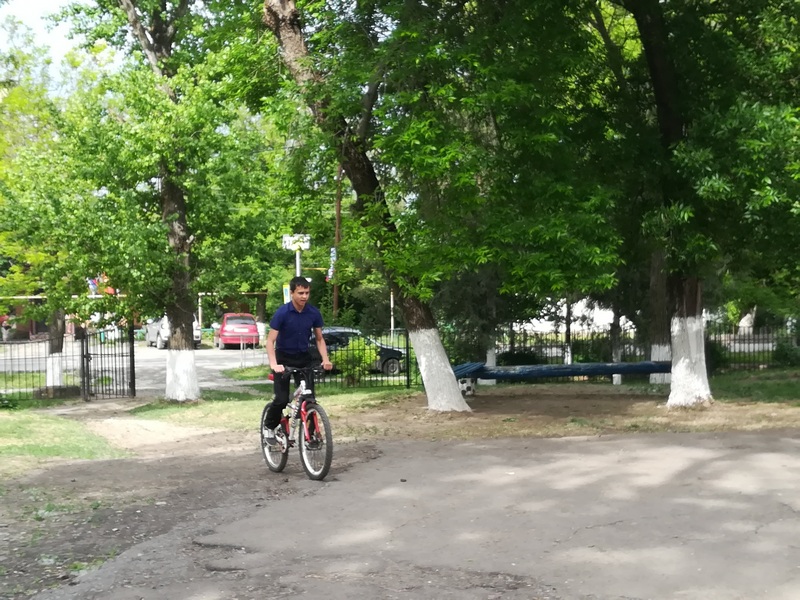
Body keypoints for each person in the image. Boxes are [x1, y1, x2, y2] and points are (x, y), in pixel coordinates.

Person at [264, 276, 333, 445]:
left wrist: (325, 359)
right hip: (283, 359)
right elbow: (270, 341)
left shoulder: (313, 313)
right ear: (292, 293)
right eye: (300, 293)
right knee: (281, 399)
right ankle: (269, 427)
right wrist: (274, 364)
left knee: (309, 399)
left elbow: (319, 339)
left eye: (307, 293)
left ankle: (311, 437)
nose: (304, 296)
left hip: (303, 358)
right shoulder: (283, 313)